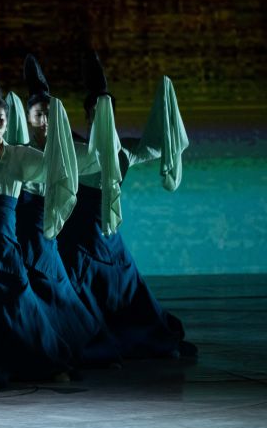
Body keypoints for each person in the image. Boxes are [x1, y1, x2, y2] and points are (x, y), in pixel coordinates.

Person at [57, 52, 195, 359]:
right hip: (78, 237)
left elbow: (156, 147)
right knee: (80, 289)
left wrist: (166, 103)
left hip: (107, 237)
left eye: (106, 112)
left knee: (128, 285)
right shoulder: (74, 149)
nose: (100, 118)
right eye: (95, 113)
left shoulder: (123, 152)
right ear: (88, 116)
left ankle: (149, 338)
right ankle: (91, 343)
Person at [0, 53, 78, 383]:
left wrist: (59, 129)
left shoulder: (19, 157)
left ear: (8, 121)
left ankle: (49, 362)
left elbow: (56, 167)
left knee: (21, 304)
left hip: (5, 245)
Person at [13, 54, 120, 365]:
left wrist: (103, 112)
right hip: (18, 236)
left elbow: (101, 156)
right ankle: (35, 352)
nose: (44, 121)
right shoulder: (19, 152)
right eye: (38, 115)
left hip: (46, 235)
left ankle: (77, 349)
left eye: (49, 114)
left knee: (57, 292)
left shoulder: (70, 152)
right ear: (28, 118)